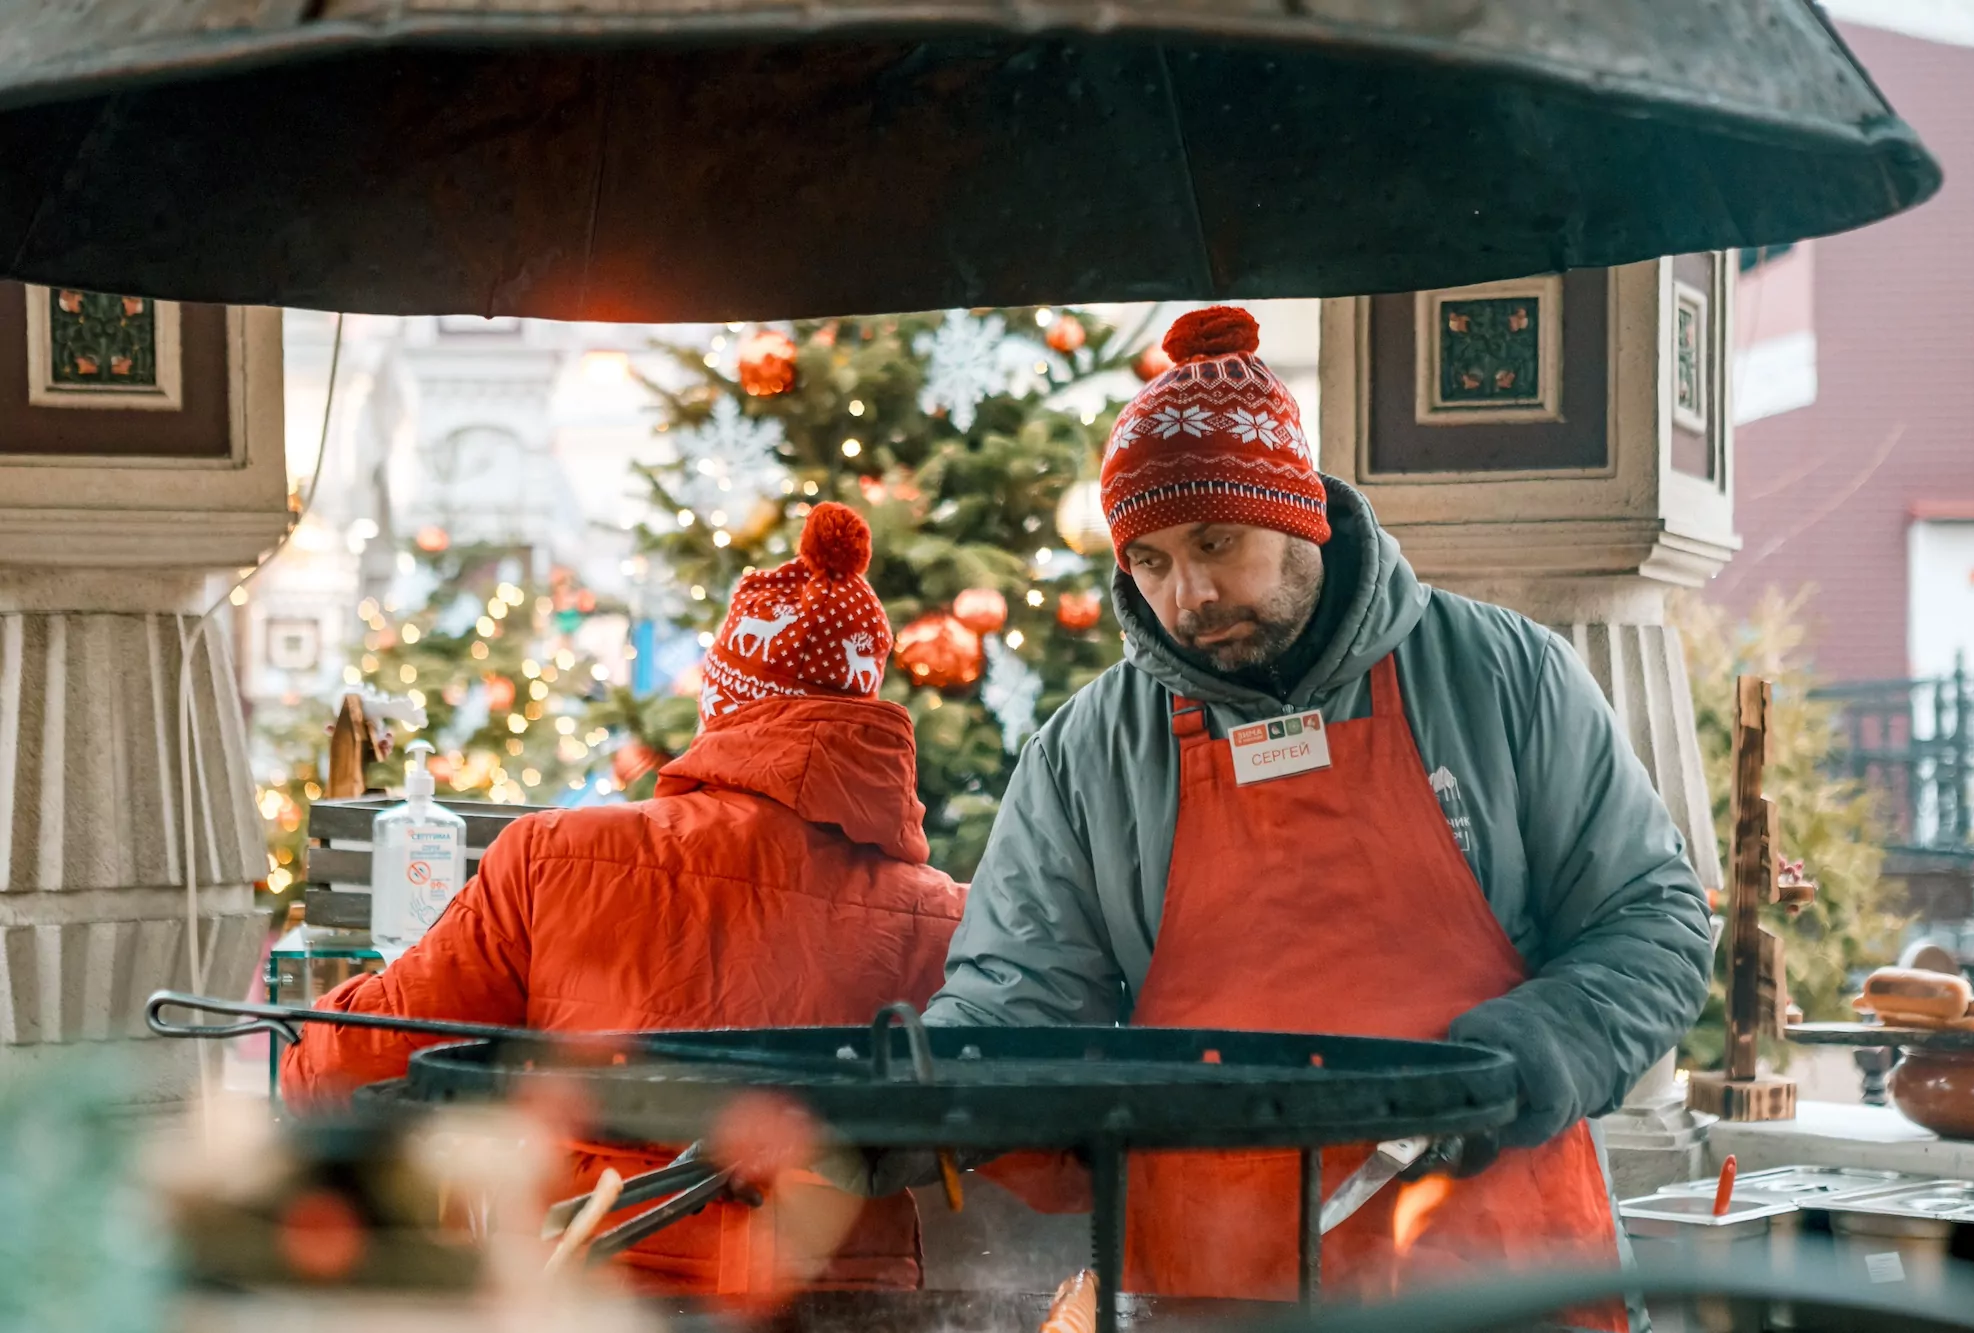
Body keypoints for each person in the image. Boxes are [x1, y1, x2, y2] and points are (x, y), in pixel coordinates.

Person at [924, 307, 1711, 1328]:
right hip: (1211, 1283)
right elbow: (1015, 1007)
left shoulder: (1502, 676)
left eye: (1216, 542)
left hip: (1499, 1272)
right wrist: (904, 1111)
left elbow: (1653, 919)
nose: (1188, 596)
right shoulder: (1087, 752)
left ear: (1298, 517)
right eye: (1149, 562)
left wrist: (1538, 1046)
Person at [283, 503, 965, 1296]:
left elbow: (356, 1063)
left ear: (724, 699)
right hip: (840, 1293)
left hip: (602, 1276)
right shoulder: (942, 916)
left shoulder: (557, 856)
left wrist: (303, 1044)